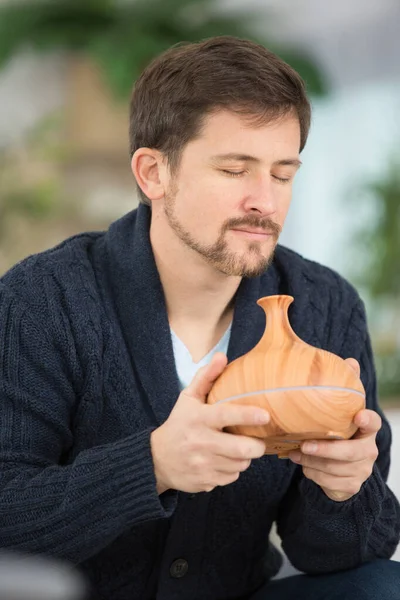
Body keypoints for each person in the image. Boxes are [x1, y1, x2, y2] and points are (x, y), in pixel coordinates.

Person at [0, 35, 399, 600]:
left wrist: (343, 491)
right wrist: (152, 465)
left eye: (283, 174)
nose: (265, 200)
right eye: (236, 170)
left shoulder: (323, 306)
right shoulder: (43, 300)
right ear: (152, 173)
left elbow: (337, 556)